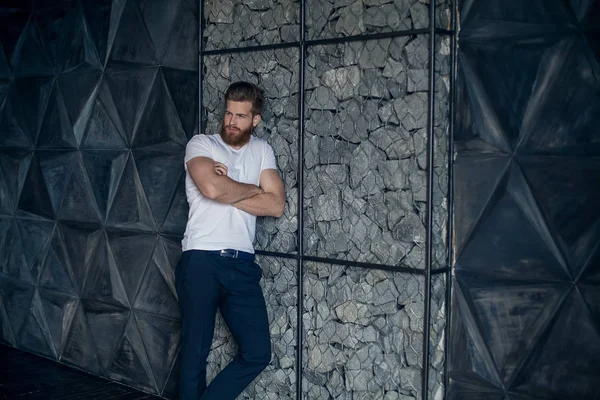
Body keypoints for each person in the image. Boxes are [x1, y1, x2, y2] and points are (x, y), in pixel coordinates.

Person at [176, 81, 285, 400]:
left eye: (240, 116)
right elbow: (211, 189)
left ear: (255, 120)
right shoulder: (202, 144)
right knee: (195, 353)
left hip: (241, 265)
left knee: (258, 353)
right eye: (228, 113)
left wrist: (228, 186)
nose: (231, 121)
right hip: (201, 260)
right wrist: (253, 190)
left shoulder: (262, 150)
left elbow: (276, 205)